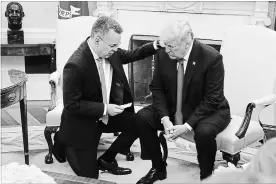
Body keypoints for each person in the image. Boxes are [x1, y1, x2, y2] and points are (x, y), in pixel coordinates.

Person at [53, 16, 162, 179]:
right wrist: (105, 108)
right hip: (84, 123)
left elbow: (134, 54)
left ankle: (107, 159)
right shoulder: (75, 65)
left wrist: (156, 45)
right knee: (90, 177)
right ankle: (63, 141)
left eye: (118, 44)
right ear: (97, 40)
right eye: (113, 45)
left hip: (105, 118)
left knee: (141, 122)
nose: (116, 49)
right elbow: (72, 105)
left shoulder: (111, 52)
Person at [135, 20, 231, 184]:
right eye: (166, 45)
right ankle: (158, 168)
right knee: (143, 117)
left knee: (204, 133)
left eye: (172, 46)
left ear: (188, 41)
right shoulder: (163, 53)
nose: (167, 50)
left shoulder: (211, 58)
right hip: (176, 105)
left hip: (209, 110)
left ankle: (206, 177)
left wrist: (187, 126)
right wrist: (165, 119)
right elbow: (156, 88)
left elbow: (212, 99)